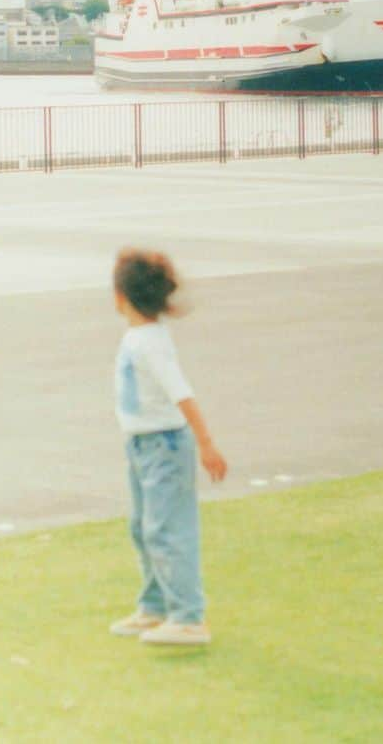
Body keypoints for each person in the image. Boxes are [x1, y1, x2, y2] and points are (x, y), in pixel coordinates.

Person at [109, 248, 227, 646]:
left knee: (167, 529)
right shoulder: (139, 338)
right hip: (141, 445)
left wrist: (207, 443)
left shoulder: (148, 343)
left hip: (165, 446)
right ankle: (155, 604)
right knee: (143, 528)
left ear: (121, 297)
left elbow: (182, 394)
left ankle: (189, 615)